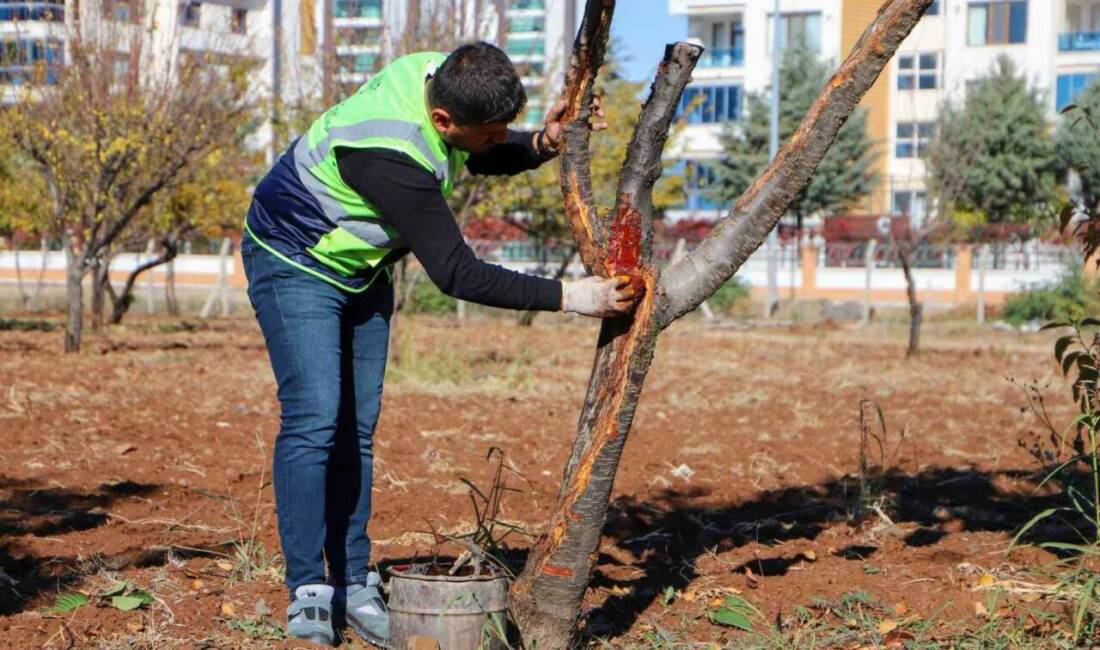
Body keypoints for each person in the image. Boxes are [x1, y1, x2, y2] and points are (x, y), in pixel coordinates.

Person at [240, 41, 640, 646]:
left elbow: (480, 152)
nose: (493, 139)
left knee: (357, 431)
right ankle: (309, 591)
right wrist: (573, 297)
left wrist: (540, 142)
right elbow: (458, 274)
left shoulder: (443, 76)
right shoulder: (389, 156)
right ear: (444, 120)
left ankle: (351, 579)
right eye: (488, 132)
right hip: (293, 262)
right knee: (315, 421)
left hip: (360, 269)